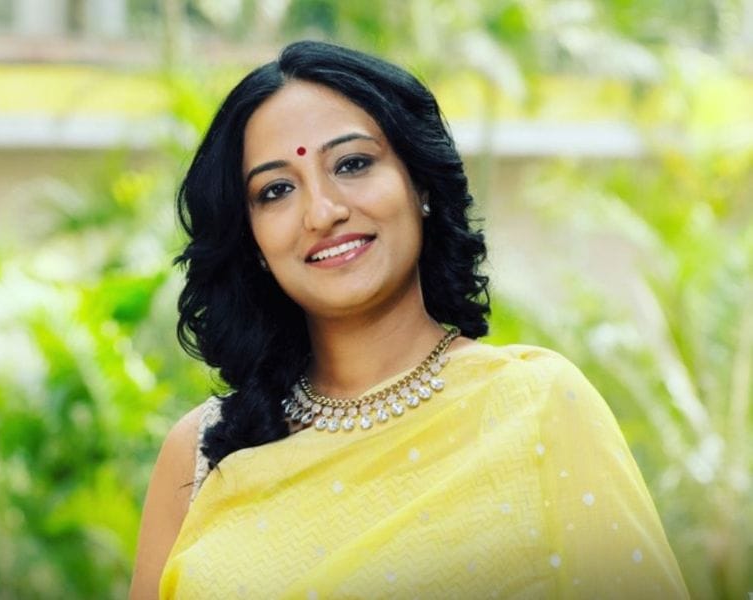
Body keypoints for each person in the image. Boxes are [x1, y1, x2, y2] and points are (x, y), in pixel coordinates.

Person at [130, 40, 688, 599]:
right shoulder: (201, 452)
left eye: (352, 164)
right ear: (251, 240)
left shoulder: (537, 406)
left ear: (419, 183)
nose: (322, 212)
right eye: (276, 191)